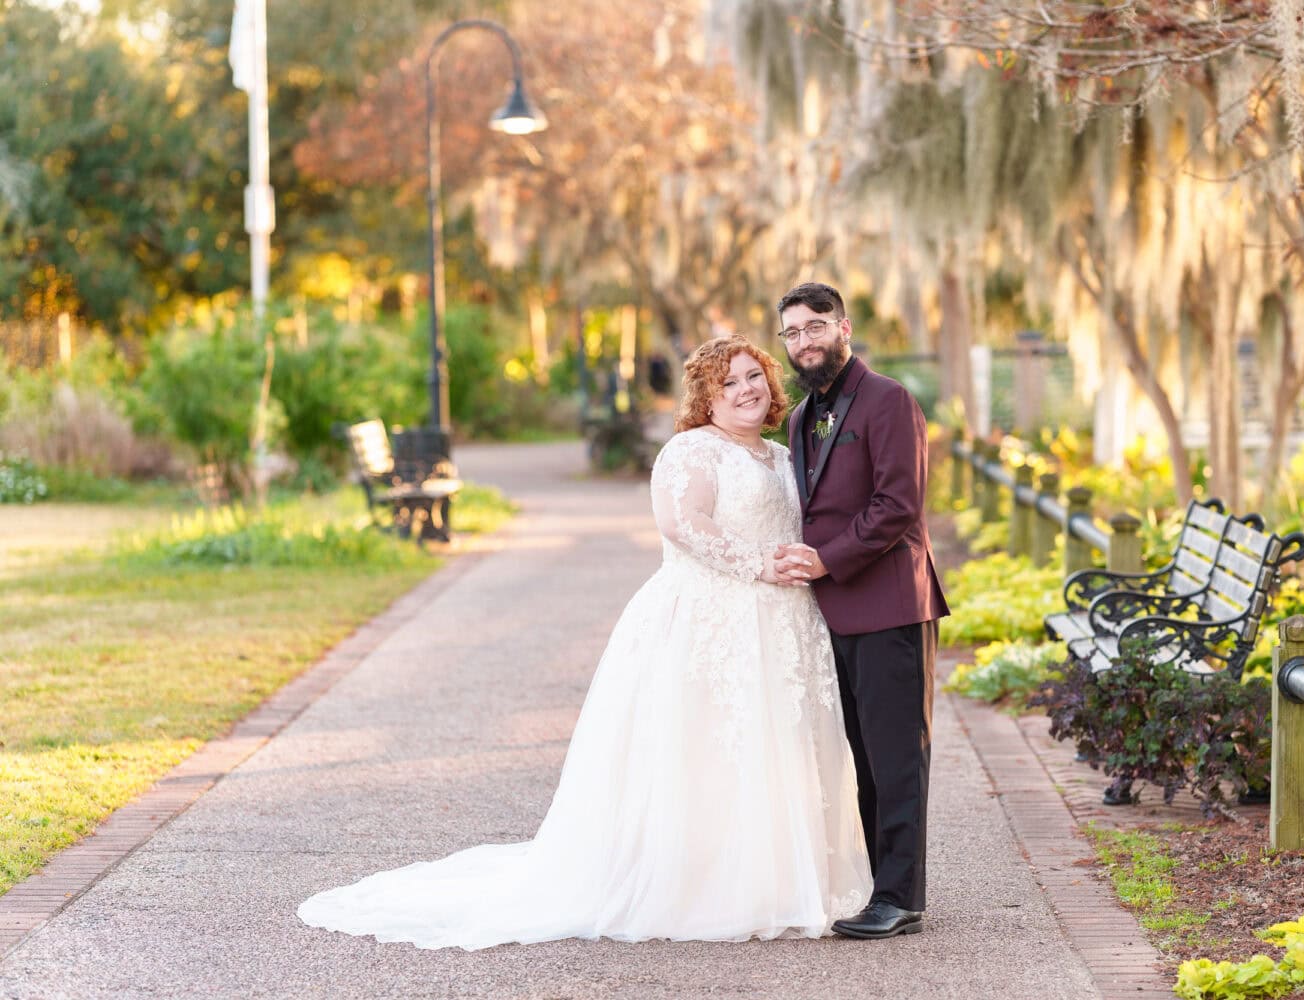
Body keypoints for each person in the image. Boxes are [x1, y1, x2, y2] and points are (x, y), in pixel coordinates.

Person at [298, 335, 871, 948]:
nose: (744, 390)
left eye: (753, 376)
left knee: (776, 746)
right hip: (710, 622)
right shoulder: (690, 452)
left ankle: (783, 880)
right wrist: (760, 563)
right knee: (709, 750)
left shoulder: (781, 457)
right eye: (727, 383)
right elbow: (682, 526)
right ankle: (709, 885)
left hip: (783, 626)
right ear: (705, 397)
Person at [771, 282, 950, 940]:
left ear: (844, 327)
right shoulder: (800, 417)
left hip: (891, 605)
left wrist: (827, 559)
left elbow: (897, 505)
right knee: (861, 759)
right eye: (792, 332)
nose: (804, 341)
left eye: (815, 326)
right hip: (832, 614)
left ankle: (901, 897)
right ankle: (880, 883)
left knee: (897, 757)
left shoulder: (889, 400)